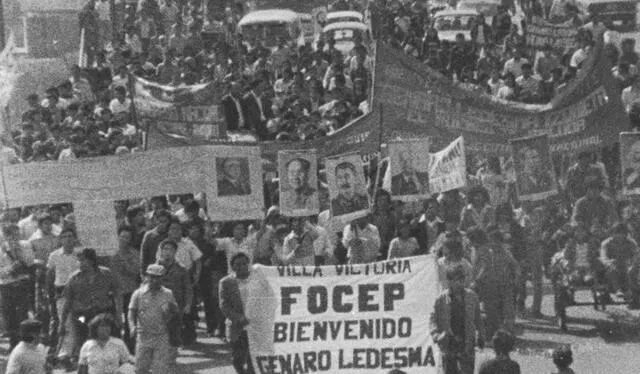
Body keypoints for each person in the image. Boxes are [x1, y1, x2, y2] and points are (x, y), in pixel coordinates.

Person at [58, 248, 121, 367]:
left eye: (82, 260)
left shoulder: (106, 274)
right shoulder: (74, 278)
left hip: (102, 315)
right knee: (83, 348)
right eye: (78, 261)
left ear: (91, 261)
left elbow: (117, 293)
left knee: (107, 345)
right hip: (82, 317)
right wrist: (62, 324)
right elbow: (67, 303)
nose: (79, 263)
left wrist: (119, 314)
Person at [430, 264, 484, 374]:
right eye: (456, 280)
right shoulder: (441, 299)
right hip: (449, 344)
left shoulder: (472, 296)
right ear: (449, 281)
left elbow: (478, 319)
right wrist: (436, 335)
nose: (459, 283)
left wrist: (481, 336)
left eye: (461, 280)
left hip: (467, 343)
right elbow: (433, 319)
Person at [469, 227, 519, 340]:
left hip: (505, 285)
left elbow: (515, 266)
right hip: (489, 286)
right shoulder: (483, 251)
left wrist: (515, 280)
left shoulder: (504, 252)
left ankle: (508, 335)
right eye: (492, 241)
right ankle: (493, 335)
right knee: (491, 312)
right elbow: (480, 267)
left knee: (507, 312)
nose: (494, 243)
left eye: (497, 241)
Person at [129, 264, 179, 374]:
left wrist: (170, 312)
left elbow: (175, 312)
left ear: (162, 278)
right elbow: (132, 311)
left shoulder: (168, 293)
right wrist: (132, 326)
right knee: (140, 368)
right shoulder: (138, 293)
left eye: (158, 277)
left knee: (160, 369)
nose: (154, 280)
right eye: (151, 277)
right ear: (146, 277)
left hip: (161, 335)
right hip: (144, 336)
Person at [45, 228, 81, 362]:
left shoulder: (80, 255)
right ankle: (65, 353)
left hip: (78, 293)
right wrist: (49, 294)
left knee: (79, 320)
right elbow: (49, 275)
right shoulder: (54, 255)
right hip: (61, 293)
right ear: (61, 239)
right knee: (64, 322)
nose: (68, 239)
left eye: (70, 236)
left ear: (74, 238)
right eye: (64, 236)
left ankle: (77, 351)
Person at [0, 225, 35, 350]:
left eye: (17, 234)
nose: (15, 238)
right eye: (12, 235)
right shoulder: (1, 250)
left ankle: (24, 341)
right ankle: (13, 342)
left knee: (23, 313)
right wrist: (11, 268)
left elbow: (30, 262)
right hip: (7, 285)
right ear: (6, 236)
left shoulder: (26, 245)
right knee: (9, 315)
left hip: (22, 283)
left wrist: (19, 253)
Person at [220, 252, 255, 374]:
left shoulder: (257, 281)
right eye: (238, 264)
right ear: (232, 267)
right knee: (237, 359)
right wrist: (239, 318)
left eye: (245, 263)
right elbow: (224, 305)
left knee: (254, 359)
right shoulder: (226, 282)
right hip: (237, 326)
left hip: (254, 326)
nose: (242, 266)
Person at [110, 226, 141, 351]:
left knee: (130, 319)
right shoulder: (110, 252)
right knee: (114, 320)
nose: (123, 239)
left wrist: (124, 263)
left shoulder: (134, 253)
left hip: (129, 290)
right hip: (113, 291)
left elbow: (136, 271)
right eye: (121, 236)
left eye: (127, 237)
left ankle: (130, 346)